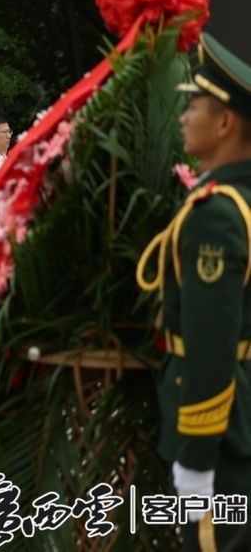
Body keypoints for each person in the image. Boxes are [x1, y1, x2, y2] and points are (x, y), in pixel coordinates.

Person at [136, 34, 251, 551]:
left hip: (221, 430)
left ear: (226, 121)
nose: (184, 117)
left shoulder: (219, 215)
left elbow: (211, 343)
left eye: (196, 105)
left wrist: (199, 457)